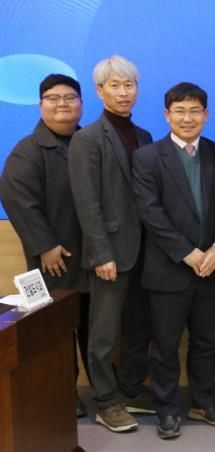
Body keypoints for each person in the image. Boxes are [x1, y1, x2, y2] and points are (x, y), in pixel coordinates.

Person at [132, 82, 215, 439]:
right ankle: (167, 408)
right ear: (167, 115)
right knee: (165, 345)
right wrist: (187, 253)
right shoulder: (147, 157)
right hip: (168, 270)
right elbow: (150, 213)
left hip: (212, 268)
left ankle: (204, 403)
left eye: (195, 111)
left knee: (207, 342)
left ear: (206, 114)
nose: (187, 118)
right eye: (180, 111)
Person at [68, 55, 154, 432]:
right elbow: (87, 203)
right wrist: (101, 253)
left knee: (139, 327)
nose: (123, 92)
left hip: (145, 251)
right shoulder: (86, 139)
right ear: (99, 91)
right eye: (114, 86)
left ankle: (131, 390)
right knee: (102, 334)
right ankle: (105, 401)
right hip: (110, 254)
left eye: (129, 85)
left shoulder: (144, 136)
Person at [0, 73, 91, 417]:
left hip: (92, 259)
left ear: (81, 104)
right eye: (53, 98)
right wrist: (45, 245)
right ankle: (62, 392)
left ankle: (103, 392)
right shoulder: (27, 150)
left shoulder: (90, 142)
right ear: (41, 105)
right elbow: (17, 198)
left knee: (94, 328)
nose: (62, 104)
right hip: (47, 263)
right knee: (51, 331)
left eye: (70, 97)